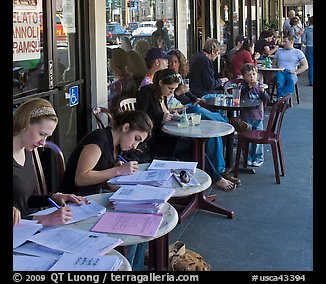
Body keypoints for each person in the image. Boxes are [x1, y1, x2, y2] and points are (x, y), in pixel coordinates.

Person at [59, 109, 153, 271]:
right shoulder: (98, 140)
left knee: (143, 223)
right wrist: (116, 171)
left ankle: (135, 268)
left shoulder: (115, 145)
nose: (134, 145)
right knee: (132, 228)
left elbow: (103, 181)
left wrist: (120, 181)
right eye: (136, 139)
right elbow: (80, 179)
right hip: (74, 206)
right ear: (125, 127)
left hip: (92, 201)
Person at [167, 49, 241, 186]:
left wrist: (196, 98)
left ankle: (220, 171)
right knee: (198, 109)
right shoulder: (166, 78)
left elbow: (187, 93)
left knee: (214, 128)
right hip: (181, 110)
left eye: (176, 62)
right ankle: (228, 122)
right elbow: (170, 99)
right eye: (170, 62)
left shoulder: (179, 77)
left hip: (187, 104)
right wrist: (178, 92)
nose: (173, 65)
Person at [13, 98, 86, 226]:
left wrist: (53, 197)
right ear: (25, 123)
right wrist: (44, 219)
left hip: (29, 229)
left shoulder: (26, 151)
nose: (43, 142)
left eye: (47, 137)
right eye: (42, 134)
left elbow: (24, 200)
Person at [239, 63, 269, 167]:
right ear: (244, 77)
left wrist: (262, 92)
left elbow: (266, 99)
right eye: (248, 75)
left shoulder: (260, 86)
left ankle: (258, 157)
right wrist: (248, 87)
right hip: (246, 117)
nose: (252, 77)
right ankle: (248, 157)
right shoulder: (243, 86)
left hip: (258, 116)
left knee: (258, 138)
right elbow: (240, 94)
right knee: (246, 138)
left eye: (253, 74)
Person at [273, 34, 308, 99]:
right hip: (280, 71)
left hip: (291, 71)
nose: (283, 43)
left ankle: (281, 97)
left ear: (291, 42)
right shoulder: (279, 51)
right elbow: (274, 64)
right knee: (279, 81)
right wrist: (276, 68)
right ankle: (282, 99)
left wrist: (296, 72)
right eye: (283, 42)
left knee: (291, 80)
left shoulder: (298, 52)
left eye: (285, 42)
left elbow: (305, 65)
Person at [301, 15, 313, 86]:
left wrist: (307, 41)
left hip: (309, 47)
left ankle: (311, 81)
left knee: (311, 65)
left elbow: (303, 40)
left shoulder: (307, 29)